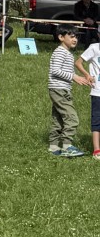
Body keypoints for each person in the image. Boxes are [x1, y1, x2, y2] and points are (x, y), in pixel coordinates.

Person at [48, 29, 90, 157]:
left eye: (76, 37)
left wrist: (79, 78)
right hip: (59, 90)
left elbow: (64, 72)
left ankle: (54, 147)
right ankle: (67, 146)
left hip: (61, 89)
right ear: (61, 37)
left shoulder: (67, 53)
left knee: (58, 119)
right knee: (72, 118)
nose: (75, 39)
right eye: (71, 36)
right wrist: (74, 77)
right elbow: (55, 70)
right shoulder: (60, 52)